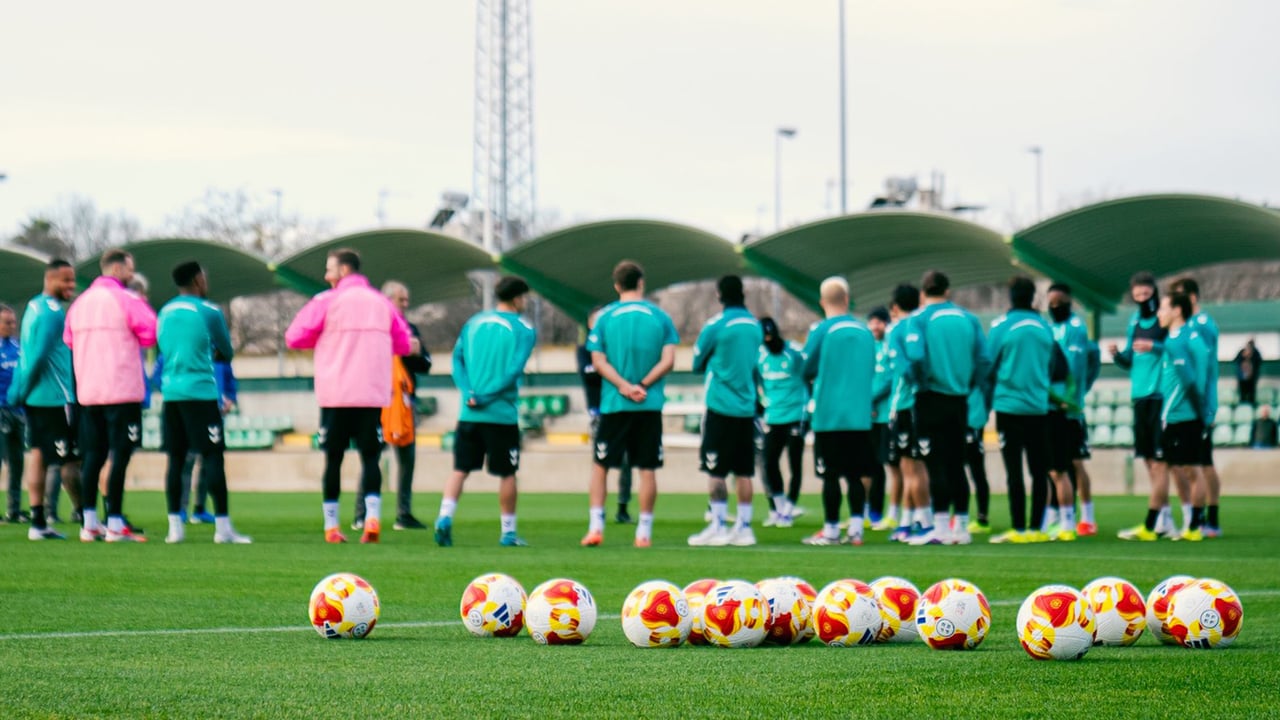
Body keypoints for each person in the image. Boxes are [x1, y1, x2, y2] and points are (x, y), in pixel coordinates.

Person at [285, 248, 411, 544]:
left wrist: (325, 338)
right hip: (371, 394)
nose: (326, 275)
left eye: (329, 269)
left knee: (333, 460)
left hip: (336, 394)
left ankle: (332, 525)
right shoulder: (381, 302)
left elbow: (294, 337)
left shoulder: (326, 301)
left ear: (342, 271)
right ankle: (372, 518)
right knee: (371, 459)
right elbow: (403, 343)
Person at [580, 260, 678, 548]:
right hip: (649, 404)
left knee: (601, 466)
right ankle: (643, 533)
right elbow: (669, 360)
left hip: (615, 404)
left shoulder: (605, 318)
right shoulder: (660, 317)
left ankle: (596, 527)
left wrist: (623, 386)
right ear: (641, 283)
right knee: (647, 468)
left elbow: (598, 361)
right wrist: (642, 385)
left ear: (616, 285)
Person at [435, 276, 536, 547]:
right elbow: (514, 370)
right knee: (507, 473)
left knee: (460, 470)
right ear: (517, 298)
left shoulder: (473, 322)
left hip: (469, 413)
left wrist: (469, 393)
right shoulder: (524, 328)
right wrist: (487, 396)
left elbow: (457, 361)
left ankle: (444, 517)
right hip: (500, 414)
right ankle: (508, 532)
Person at [64, 248, 157, 543]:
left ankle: (89, 523)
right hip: (121, 389)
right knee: (120, 455)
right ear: (117, 269)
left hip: (89, 392)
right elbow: (151, 333)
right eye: (129, 269)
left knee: (93, 455)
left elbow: (69, 340)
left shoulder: (79, 304)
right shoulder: (126, 299)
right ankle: (115, 522)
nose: (131, 274)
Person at [156, 262, 251, 544]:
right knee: (212, 457)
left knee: (175, 459)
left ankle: (175, 528)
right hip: (201, 393)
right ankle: (223, 529)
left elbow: (161, 347)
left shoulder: (164, 311)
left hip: (172, 394)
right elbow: (227, 350)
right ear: (198, 279)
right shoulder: (208, 310)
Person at [905, 270, 988, 546]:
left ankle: (940, 527)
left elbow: (915, 357)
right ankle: (961, 527)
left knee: (935, 463)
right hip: (960, 399)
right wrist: (969, 384)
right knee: (956, 463)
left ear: (923, 293)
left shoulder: (919, 319)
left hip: (931, 398)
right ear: (947, 291)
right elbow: (984, 360)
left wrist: (921, 384)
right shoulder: (969, 318)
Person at [1119, 291, 1209, 542]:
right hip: (1174, 417)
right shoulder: (1178, 338)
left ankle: (1193, 527)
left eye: (1164, 308)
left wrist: (1200, 416)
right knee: (1165, 467)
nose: (1159, 313)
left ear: (1177, 311)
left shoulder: (1179, 341)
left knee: (1191, 469)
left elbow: (1190, 382)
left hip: (1182, 417)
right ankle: (1155, 525)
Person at [985, 276, 1068, 544]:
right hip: (1038, 408)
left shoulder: (1001, 326)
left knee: (1014, 472)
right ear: (1033, 297)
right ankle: (1036, 528)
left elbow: (988, 365)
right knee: (1039, 470)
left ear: (1011, 297)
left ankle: (1019, 528)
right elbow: (1056, 367)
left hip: (1009, 407)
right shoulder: (1045, 327)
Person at [6, 261, 82, 540]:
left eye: (72, 280)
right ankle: (88, 518)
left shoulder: (33, 306)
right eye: (66, 280)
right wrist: (22, 390)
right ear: (50, 279)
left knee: (38, 454)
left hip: (37, 398)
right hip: (55, 397)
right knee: (71, 460)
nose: (71, 286)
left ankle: (38, 522)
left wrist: (21, 391)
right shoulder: (52, 312)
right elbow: (37, 356)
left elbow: (27, 356)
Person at [800, 277, 876, 546]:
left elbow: (805, 368)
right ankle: (856, 529)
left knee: (830, 475)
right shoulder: (865, 331)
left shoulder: (821, 330)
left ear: (822, 302)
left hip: (828, 416)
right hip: (859, 416)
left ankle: (831, 530)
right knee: (855, 475)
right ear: (847, 299)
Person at [688, 276, 763, 547]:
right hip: (746, 408)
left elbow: (696, 363)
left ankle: (718, 525)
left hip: (720, 406)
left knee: (716, 470)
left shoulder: (716, 325)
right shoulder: (755, 326)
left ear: (720, 295)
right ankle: (744, 528)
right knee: (744, 471)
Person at [354, 281, 433, 531]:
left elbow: (426, 363)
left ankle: (403, 514)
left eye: (406, 299)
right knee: (372, 457)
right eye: (401, 299)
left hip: (404, 401)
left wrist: (414, 353)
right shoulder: (373, 327)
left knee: (407, 459)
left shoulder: (410, 329)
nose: (406, 304)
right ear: (387, 300)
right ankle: (362, 514)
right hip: (377, 402)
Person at [1108, 272, 1178, 538]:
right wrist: (1117, 355)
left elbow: (1173, 349)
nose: (1142, 299)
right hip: (1139, 396)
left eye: (1146, 294)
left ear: (1153, 293)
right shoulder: (1134, 321)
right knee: (1149, 462)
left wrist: (1154, 347)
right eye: (1137, 295)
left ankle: (1152, 523)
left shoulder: (1164, 319)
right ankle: (1165, 519)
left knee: (1160, 463)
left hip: (1159, 395)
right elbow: (1130, 358)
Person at [1046, 282, 1100, 536]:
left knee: (1075, 463)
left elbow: (1079, 367)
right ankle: (1056, 514)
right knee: (1055, 465)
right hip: (1054, 407)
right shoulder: (1050, 328)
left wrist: (1076, 395)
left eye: (1059, 302)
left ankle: (1087, 517)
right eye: (1051, 302)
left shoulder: (1076, 329)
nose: (1054, 306)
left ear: (1068, 302)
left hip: (1070, 409)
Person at [1171, 276, 1222, 538]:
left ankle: (1209, 518)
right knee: (1193, 462)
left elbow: (1205, 367)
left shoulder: (1201, 325)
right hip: (1188, 405)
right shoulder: (1186, 326)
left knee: (1202, 462)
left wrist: (1206, 405)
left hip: (1200, 404)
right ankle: (1197, 517)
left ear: (1191, 298)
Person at [578, 306, 632, 523]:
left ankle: (623, 506)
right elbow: (590, 374)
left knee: (626, 461)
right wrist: (606, 369)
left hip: (620, 409)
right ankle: (597, 512)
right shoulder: (584, 350)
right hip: (599, 412)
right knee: (600, 462)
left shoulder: (615, 347)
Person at [886, 284, 931, 542]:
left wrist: (917, 386)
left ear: (895, 307)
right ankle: (908, 521)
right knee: (915, 467)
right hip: (920, 404)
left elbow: (906, 367)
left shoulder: (899, 329)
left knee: (910, 468)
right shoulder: (923, 325)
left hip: (906, 405)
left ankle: (923, 521)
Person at [757, 316, 806, 528]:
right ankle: (779, 506)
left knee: (795, 463)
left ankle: (789, 508)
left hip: (796, 415)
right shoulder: (759, 356)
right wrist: (762, 405)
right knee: (769, 462)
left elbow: (809, 374)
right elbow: (756, 381)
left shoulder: (794, 352)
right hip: (773, 416)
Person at [0, 304, 27, 525]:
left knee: (17, 462)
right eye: (7, 322)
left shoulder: (18, 347)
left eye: (14, 322)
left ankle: (14, 510)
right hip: (1, 410)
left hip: (18, 411)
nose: (12, 326)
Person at [865, 306, 891, 529]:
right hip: (867, 417)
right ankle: (864, 510)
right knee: (866, 464)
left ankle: (879, 511)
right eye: (872, 321)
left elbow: (888, 380)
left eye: (879, 322)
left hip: (885, 416)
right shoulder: (867, 347)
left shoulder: (889, 345)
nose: (875, 326)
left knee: (882, 465)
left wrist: (871, 400)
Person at [964, 385, 990, 534]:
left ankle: (982, 517)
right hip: (961, 419)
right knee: (956, 471)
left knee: (977, 471)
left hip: (973, 422)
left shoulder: (979, 382)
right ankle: (959, 515)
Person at [1235, 339, 1262, 405]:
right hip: (1242, 378)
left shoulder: (1255, 353)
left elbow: (1259, 361)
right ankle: (1242, 404)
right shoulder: (1242, 351)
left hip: (1252, 378)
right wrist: (1243, 355)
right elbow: (1236, 360)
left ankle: (1251, 405)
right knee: (1242, 393)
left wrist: (1252, 356)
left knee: (1251, 394)